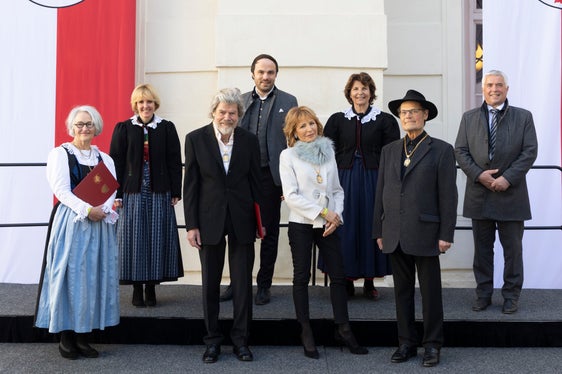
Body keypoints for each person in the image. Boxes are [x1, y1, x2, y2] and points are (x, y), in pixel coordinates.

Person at [373, 90, 457, 367]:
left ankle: (432, 345)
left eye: (413, 111)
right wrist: (379, 230)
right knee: (402, 292)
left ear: (425, 115)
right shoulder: (390, 150)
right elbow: (381, 193)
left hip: (427, 232)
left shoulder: (442, 150)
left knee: (431, 293)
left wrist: (446, 233)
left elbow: (448, 194)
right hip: (394, 232)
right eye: (404, 112)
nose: (408, 116)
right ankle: (406, 342)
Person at [279, 106, 368, 359]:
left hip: (329, 225)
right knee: (300, 277)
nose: (309, 129)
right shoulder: (288, 156)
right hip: (302, 224)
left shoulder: (328, 153)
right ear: (294, 132)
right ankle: (305, 330)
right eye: (302, 126)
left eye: (311, 124)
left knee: (339, 276)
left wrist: (335, 216)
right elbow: (292, 196)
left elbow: (337, 190)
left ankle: (343, 328)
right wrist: (323, 213)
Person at [183, 88, 262, 363]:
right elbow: (190, 185)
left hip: (242, 219)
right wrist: (191, 225)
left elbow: (256, 183)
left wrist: (259, 222)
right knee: (210, 284)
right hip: (208, 220)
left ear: (239, 115)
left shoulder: (250, 141)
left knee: (242, 284)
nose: (227, 117)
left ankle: (241, 341)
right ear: (213, 112)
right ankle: (212, 341)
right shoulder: (195, 139)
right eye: (222, 112)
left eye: (232, 112)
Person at [35, 105, 120, 359]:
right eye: (79, 124)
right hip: (72, 222)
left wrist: (103, 208)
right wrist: (87, 209)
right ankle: (66, 337)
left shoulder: (105, 158)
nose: (84, 128)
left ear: (96, 128)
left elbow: (112, 190)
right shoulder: (60, 154)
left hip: (98, 225)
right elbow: (61, 190)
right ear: (71, 127)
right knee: (70, 276)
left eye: (89, 124)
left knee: (93, 277)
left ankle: (84, 337)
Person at [455, 70, 538, 314]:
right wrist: (479, 175)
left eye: (499, 85)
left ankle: (511, 296)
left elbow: (529, 151)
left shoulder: (524, 117)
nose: (494, 89)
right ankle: (483, 294)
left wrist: (507, 179)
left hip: (511, 195)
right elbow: (460, 150)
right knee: (481, 251)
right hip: (479, 193)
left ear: (507, 89)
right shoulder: (469, 118)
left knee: (513, 250)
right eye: (490, 84)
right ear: (484, 88)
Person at [220, 53, 298, 305]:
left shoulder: (289, 100)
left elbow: (294, 141)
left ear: (276, 74)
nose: (266, 77)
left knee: (270, 233)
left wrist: (290, 181)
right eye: (261, 72)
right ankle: (236, 283)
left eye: (270, 72)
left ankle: (264, 285)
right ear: (252, 73)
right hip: (240, 177)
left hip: (270, 178)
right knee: (238, 232)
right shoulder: (239, 101)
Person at [321, 72, 400, 300]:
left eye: (364, 88)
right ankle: (344, 279)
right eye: (356, 89)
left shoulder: (385, 120)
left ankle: (369, 281)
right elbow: (327, 153)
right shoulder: (337, 119)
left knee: (370, 224)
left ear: (371, 93)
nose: (360, 92)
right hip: (343, 179)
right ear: (349, 93)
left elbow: (392, 154)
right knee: (344, 226)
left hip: (373, 179)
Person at [109, 83, 183, 307]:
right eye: (141, 102)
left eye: (149, 101)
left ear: (155, 104)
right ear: (135, 105)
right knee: (134, 238)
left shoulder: (167, 128)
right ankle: (137, 288)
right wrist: (117, 194)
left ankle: (151, 287)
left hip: (160, 189)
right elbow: (116, 163)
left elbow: (174, 161)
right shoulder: (123, 128)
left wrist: (176, 192)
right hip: (132, 191)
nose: (145, 106)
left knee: (156, 237)